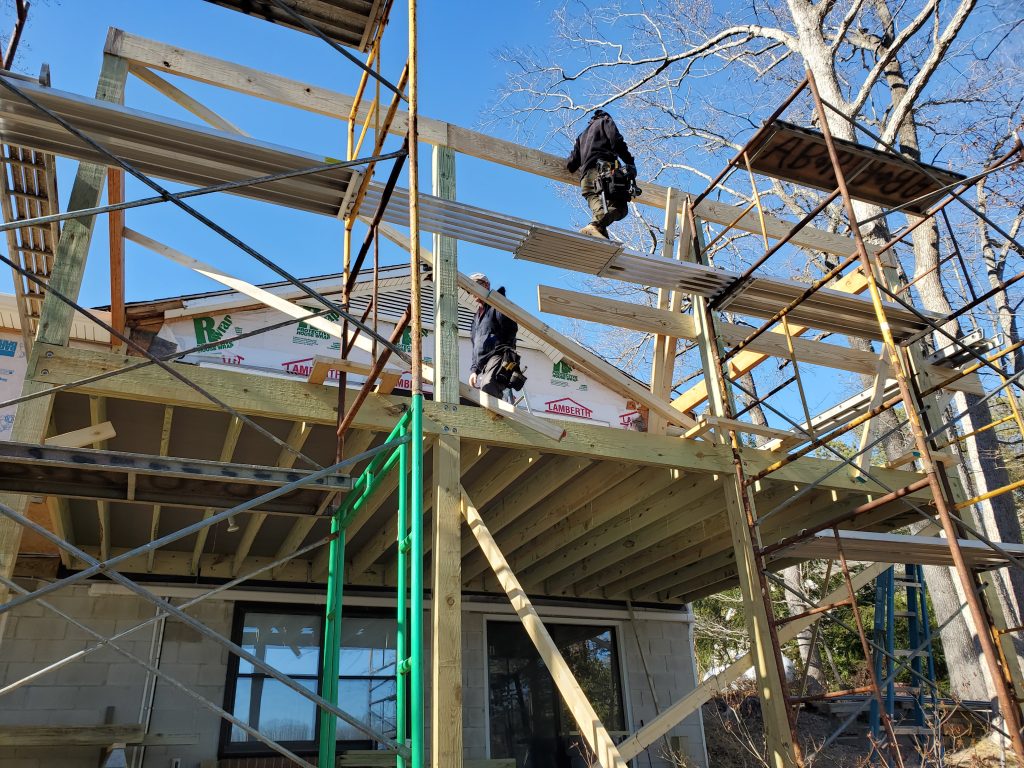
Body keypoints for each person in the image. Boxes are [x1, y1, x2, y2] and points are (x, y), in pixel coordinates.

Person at [566, 109, 638, 239]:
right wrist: (630, 162)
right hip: (603, 175)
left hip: (586, 180)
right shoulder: (605, 121)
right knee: (621, 208)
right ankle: (594, 226)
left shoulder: (581, 137)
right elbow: (616, 142)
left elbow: (571, 165)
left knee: (599, 209)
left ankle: (597, 231)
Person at [468, 272, 519, 401]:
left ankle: (496, 417)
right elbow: (475, 347)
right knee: (483, 396)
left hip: (498, 356)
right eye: (470, 289)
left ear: (486, 285)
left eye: (476, 285)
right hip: (484, 363)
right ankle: (493, 416)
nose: (472, 292)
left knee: (489, 387)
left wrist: (503, 349)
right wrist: (474, 370)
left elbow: (511, 328)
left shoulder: (497, 305)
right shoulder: (476, 319)